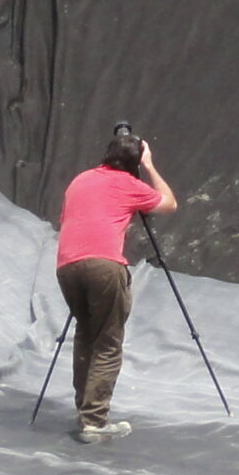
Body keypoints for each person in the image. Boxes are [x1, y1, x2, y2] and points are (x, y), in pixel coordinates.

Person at [55, 128, 177, 444]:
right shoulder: (128, 183)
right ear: (134, 163)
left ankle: (85, 410)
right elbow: (169, 204)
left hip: (67, 264)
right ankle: (95, 422)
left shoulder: (80, 179)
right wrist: (149, 167)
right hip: (104, 265)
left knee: (86, 334)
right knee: (108, 343)